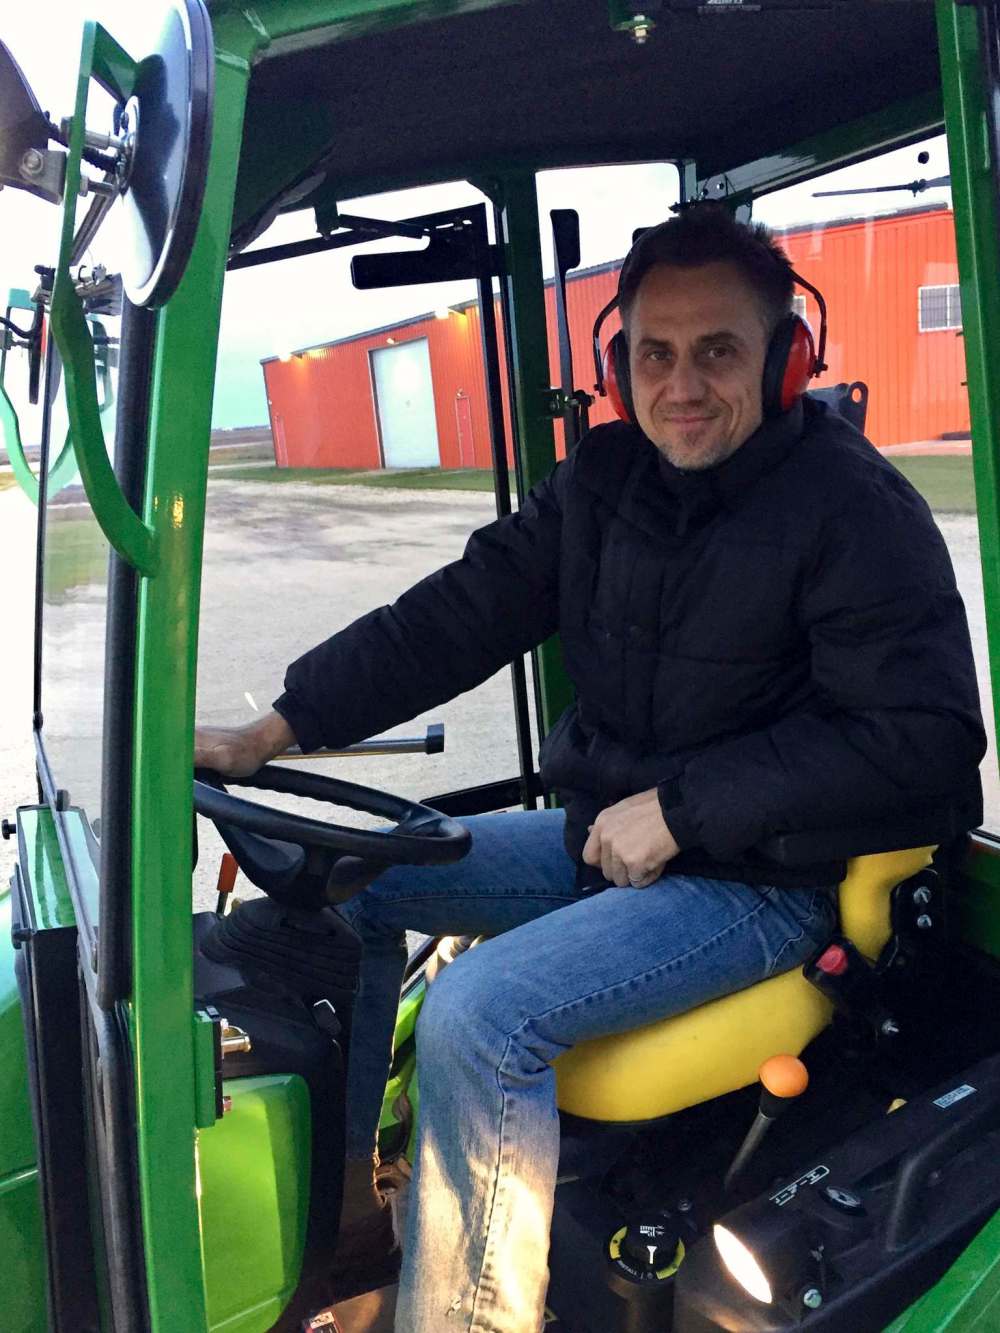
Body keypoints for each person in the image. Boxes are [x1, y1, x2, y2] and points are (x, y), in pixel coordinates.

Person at [195, 204, 985, 1332]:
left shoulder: (854, 511)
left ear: (786, 361)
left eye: (718, 351)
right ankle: (346, 1221)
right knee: (352, 877)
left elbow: (922, 739)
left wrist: (679, 806)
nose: (682, 385)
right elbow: (456, 616)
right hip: (610, 841)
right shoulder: (607, 480)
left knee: (479, 1012)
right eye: (653, 355)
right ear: (617, 369)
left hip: (761, 883)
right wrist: (273, 728)